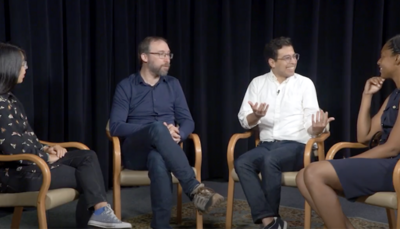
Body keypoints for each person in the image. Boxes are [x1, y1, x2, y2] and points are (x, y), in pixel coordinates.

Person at [0, 43, 132, 229]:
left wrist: (46, 148)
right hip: (14, 175)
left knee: (87, 157)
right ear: (8, 66)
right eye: (23, 64)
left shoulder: (11, 100)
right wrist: (46, 157)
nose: (26, 68)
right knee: (86, 176)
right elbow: (11, 148)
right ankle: (98, 215)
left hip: (31, 164)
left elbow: (27, 137)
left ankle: (100, 213)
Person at [109, 36, 224, 229]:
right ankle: (194, 189)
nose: (167, 59)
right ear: (144, 57)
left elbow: (187, 120)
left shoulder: (173, 84)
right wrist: (156, 129)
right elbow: (116, 126)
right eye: (161, 54)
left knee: (157, 158)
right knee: (156, 128)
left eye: (168, 54)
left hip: (163, 149)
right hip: (136, 151)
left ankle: (160, 225)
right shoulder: (126, 86)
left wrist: (179, 133)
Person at [296, 35, 400, 229]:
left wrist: (352, 161)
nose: (378, 61)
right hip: (386, 165)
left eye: (382, 56)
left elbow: (392, 148)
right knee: (302, 176)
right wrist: (366, 96)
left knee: (314, 173)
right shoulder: (394, 96)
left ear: (397, 58)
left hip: (395, 168)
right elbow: (364, 136)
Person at [235, 37, 333, 229]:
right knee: (242, 162)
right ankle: (270, 221)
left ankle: (270, 223)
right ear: (272, 62)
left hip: (296, 146)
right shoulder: (258, 83)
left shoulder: (305, 84)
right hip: (267, 144)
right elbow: (245, 121)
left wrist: (319, 128)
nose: (293, 61)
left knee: (270, 159)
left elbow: (311, 125)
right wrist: (255, 116)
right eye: (286, 58)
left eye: (294, 56)